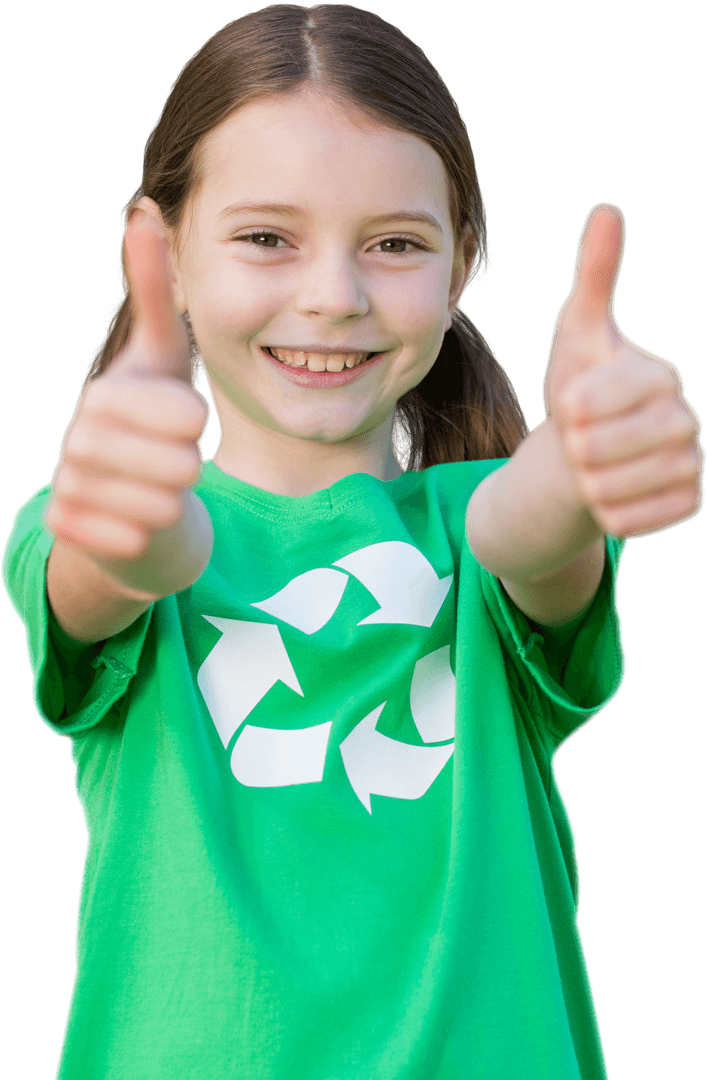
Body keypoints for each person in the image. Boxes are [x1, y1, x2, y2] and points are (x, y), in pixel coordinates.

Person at [2, 6, 703, 1080]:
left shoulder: (486, 529)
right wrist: (142, 527)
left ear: (461, 267)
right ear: (164, 251)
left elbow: (522, 530)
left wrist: (578, 465)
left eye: (396, 244)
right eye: (266, 237)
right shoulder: (85, 513)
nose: (334, 296)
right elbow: (114, 565)